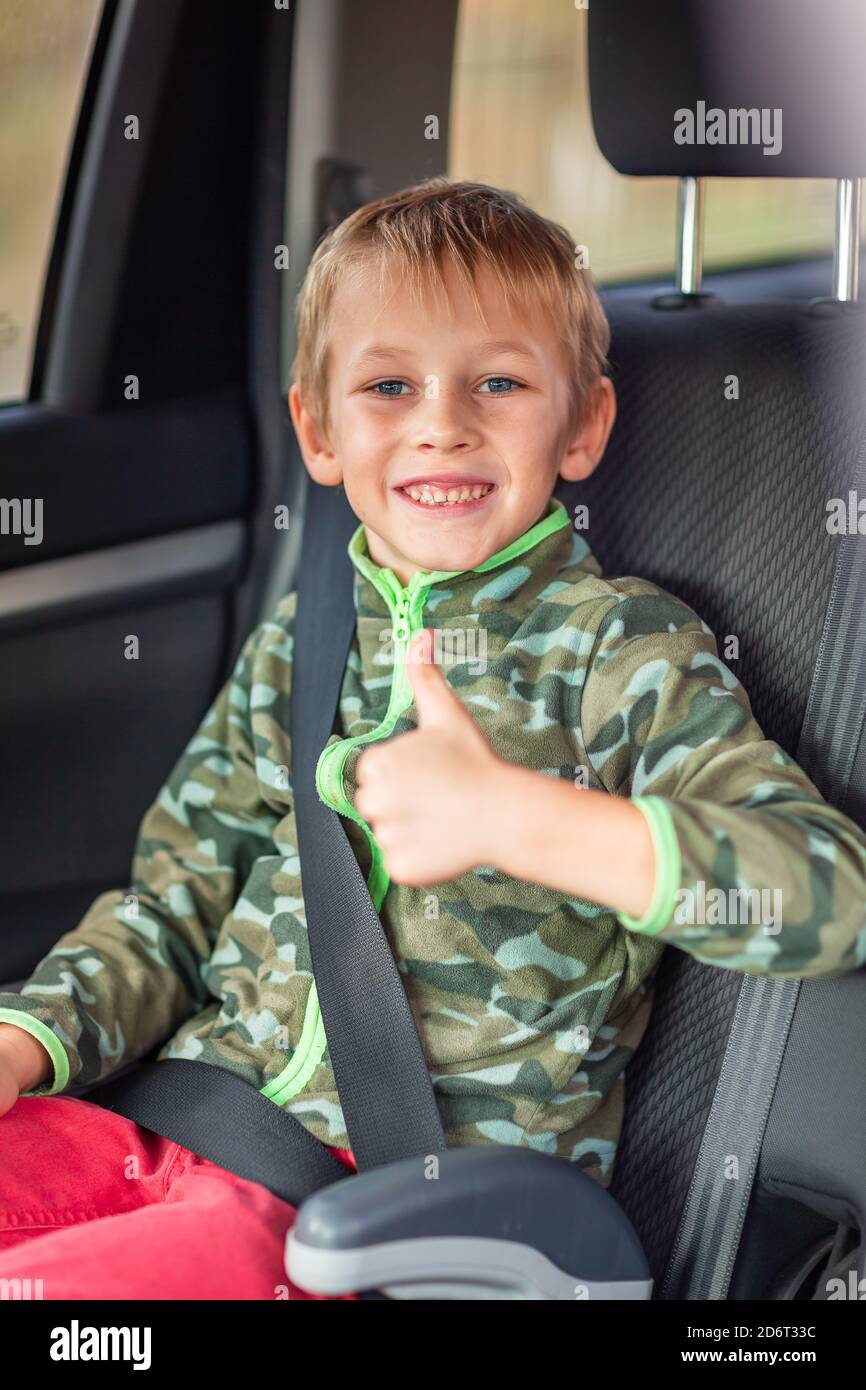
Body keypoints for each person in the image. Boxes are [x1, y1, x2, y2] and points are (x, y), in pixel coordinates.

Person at [1, 179, 864, 1300]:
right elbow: (173, 907)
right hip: (178, 1118)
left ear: (582, 425)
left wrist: (525, 818)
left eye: (497, 382)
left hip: (394, 1209)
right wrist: (31, 1037)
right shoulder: (301, 644)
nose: (440, 421)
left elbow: (825, 893)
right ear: (318, 429)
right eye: (388, 385)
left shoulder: (615, 648)